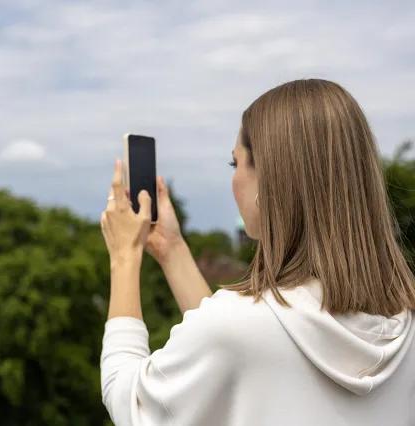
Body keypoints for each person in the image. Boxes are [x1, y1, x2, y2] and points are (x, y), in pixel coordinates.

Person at [99, 78, 415, 426]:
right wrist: (172, 250)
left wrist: (125, 257)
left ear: (270, 179)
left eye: (235, 164)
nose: (233, 179)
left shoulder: (240, 327)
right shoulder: (404, 323)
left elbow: (131, 401)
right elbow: (245, 348)